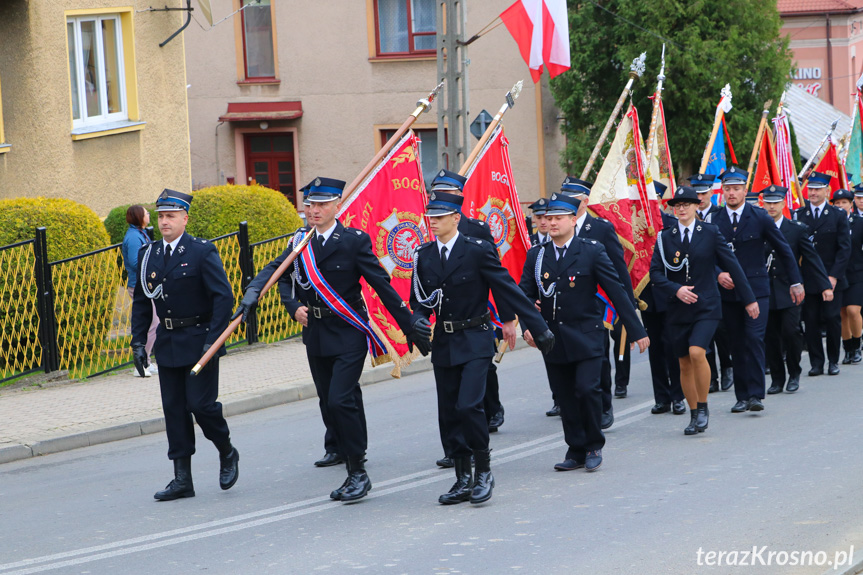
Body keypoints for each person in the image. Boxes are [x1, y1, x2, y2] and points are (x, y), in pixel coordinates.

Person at [233, 177, 431, 503]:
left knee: (340, 399)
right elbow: (274, 271)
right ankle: (344, 448)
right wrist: (255, 294)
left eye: (322, 204)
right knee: (330, 399)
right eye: (310, 204)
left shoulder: (353, 241)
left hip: (349, 330)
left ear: (338, 205)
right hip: (316, 334)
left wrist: (408, 325)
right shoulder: (300, 241)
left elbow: (381, 285)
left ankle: (358, 473)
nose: (314, 210)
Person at [411, 190, 554, 505]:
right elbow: (419, 300)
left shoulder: (477, 250)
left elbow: (508, 289)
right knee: (449, 412)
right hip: (445, 342)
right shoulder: (424, 255)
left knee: (469, 406)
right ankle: (462, 478)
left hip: (475, 337)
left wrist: (537, 325)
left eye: (439, 217)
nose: (432, 222)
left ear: (455, 218)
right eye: (430, 217)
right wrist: (419, 319)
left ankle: (484, 470)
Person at [519, 193, 648, 470]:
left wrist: (637, 330)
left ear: (572, 220)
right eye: (548, 218)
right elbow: (524, 295)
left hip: (587, 334)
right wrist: (529, 326)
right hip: (553, 338)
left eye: (558, 218)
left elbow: (616, 291)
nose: (551, 223)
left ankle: (592, 446)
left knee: (587, 389)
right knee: (565, 395)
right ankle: (575, 449)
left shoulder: (591, 250)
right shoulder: (537, 255)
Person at [130, 189, 239, 501]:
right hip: (168, 342)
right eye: (161, 216)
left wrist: (213, 341)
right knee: (174, 410)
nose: (164, 221)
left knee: (201, 406)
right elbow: (141, 301)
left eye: (171, 216)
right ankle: (182, 479)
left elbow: (223, 297)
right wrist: (139, 342)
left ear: (184, 219)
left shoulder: (202, 251)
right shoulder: (148, 254)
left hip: (200, 339)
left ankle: (226, 450)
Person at [650, 186, 756, 435]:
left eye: (687, 204)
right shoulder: (665, 237)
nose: (682, 208)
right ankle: (694, 413)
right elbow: (655, 273)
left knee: (697, 352)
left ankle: (704, 406)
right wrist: (675, 290)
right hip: (678, 308)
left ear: (697, 206)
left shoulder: (709, 232)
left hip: (706, 305)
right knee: (684, 363)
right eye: (677, 205)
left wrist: (749, 299)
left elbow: (732, 265)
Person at [430, 170, 515, 470]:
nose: (441, 197)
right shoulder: (431, 233)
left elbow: (498, 279)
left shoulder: (476, 230)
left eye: (449, 192)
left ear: (459, 199)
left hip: (475, 322)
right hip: (446, 331)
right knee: (449, 401)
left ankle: (492, 412)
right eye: (437, 191)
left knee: (478, 381)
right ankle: (456, 454)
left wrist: (508, 319)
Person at [712, 167, 803, 413]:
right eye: (728, 189)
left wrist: (796, 281)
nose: (732, 193)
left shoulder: (759, 216)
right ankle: (741, 396)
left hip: (756, 289)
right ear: (723, 191)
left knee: (753, 338)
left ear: (745, 190)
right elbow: (705, 255)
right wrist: (718, 273)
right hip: (729, 292)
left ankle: (755, 394)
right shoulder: (714, 219)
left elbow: (783, 249)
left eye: (737, 189)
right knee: (737, 342)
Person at [558, 177, 633, 427]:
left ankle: (603, 405)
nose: (567, 204)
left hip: (598, 305)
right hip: (566, 306)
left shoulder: (600, 228)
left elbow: (618, 268)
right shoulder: (556, 227)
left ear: (585, 202)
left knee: (598, 356)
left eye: (574, 199)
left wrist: (627, 305)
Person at [761, 186, 832, 394]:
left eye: (776, 202)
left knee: (790, 331)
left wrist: (825, 286)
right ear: (763, 204)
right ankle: (776, 378)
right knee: (770, 335)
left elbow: (812, 258)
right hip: (766, 289)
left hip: (791, 289)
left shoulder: (796, 229)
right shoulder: (757, 228)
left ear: (784, 204)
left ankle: (794, 372)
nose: (772, 206)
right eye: (768, 202)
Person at [794, 171, 851, 376]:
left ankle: (833, 360)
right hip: (808, 278)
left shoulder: (837, 215)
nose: (813, 192)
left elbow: (844, 248)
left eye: (817, 189)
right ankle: (817, 362)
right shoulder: (799, 215)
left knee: (832, 317)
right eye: (810, 189)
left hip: (831, 277)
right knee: (810, 321)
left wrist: (834, 276)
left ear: (827, 191)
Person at [642, 182, 685, 416]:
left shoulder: (671, 225)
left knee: (673, 346)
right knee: (654, 347)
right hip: (648, 296)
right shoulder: (635, 228)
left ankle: (678, 395)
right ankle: (662, 398)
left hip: (671, 294)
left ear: (659, 199)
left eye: (652, 198)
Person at [688, 173, 732, 392]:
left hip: (722, 281)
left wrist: (721, 273)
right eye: (696, 193)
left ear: (712, 194)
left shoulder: (720, 216)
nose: (700, 197)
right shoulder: (687, 217)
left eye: (703, 193)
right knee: (705, 334)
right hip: (701, 281)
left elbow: (724, 252)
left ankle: (727, 367)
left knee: (721, 330)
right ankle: (711, 376)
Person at [122, 205, 158, 377]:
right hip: (139, 285)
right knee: (152, 323)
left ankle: (146, 362)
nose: (149, 215)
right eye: (146, 213)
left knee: (153, 322)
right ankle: (142, 364)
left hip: (144, 283)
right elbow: (136, 262)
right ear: (139, 217)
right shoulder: (135, 237)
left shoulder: (139, 233)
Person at [831, 189, 863, 364]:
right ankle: (848, 348)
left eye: (844, 202)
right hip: (838, 274)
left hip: (857, 272)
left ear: (851, 204)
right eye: (837, 203)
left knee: (853, 310)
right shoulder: (830, 223)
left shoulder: (859, 223)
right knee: (842, 313)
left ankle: (857, 345)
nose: (841, 206)